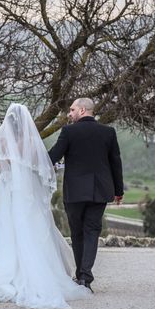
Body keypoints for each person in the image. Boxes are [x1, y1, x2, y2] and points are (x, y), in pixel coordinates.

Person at [0, 103, 92, 309]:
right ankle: (42, 275)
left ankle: (6, 277)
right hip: (27, 193)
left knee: (9, 232)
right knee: (32, 230)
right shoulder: (31, 141)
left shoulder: (0, 140)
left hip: (7, 191)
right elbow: (43, 168)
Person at [48, 98, 124, 292]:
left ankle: (82, 275)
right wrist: (118, 191)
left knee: (77, 232)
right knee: (92, 231)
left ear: (82, 110)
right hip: (100, 190)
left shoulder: (68, 132)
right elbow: (116, 162)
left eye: (72, 110)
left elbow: (52, 157)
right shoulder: (108, 132)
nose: (69, 113)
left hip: (74, 191)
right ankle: (85, 278)